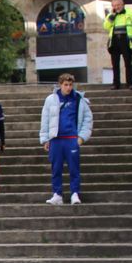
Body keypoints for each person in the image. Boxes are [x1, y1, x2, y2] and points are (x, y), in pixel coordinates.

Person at [38, 73, 93, 205]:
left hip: (71, 138)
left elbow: (87, 118)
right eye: (65, 85)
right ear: (60, 85)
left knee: (74, 167)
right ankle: (57, 193)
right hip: (56, 138)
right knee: (56, 168)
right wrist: (45, 139)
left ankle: (75, 193)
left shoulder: (79, 99)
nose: (68, 87)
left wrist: (81, 137)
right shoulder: (51, 99)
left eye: (70, 85)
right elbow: (45, 119)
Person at [104, 0, 132, 89]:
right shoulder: (111, 15)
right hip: (115, 40)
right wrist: (112, 16)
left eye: (118, 5)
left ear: (122, 4)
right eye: (115, 6)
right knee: (115, 64)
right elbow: (106, 26)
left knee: (128, 63)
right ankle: (116, 84)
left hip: (126, 39)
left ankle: (130, 83)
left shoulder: (130, 12)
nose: (117, 7)